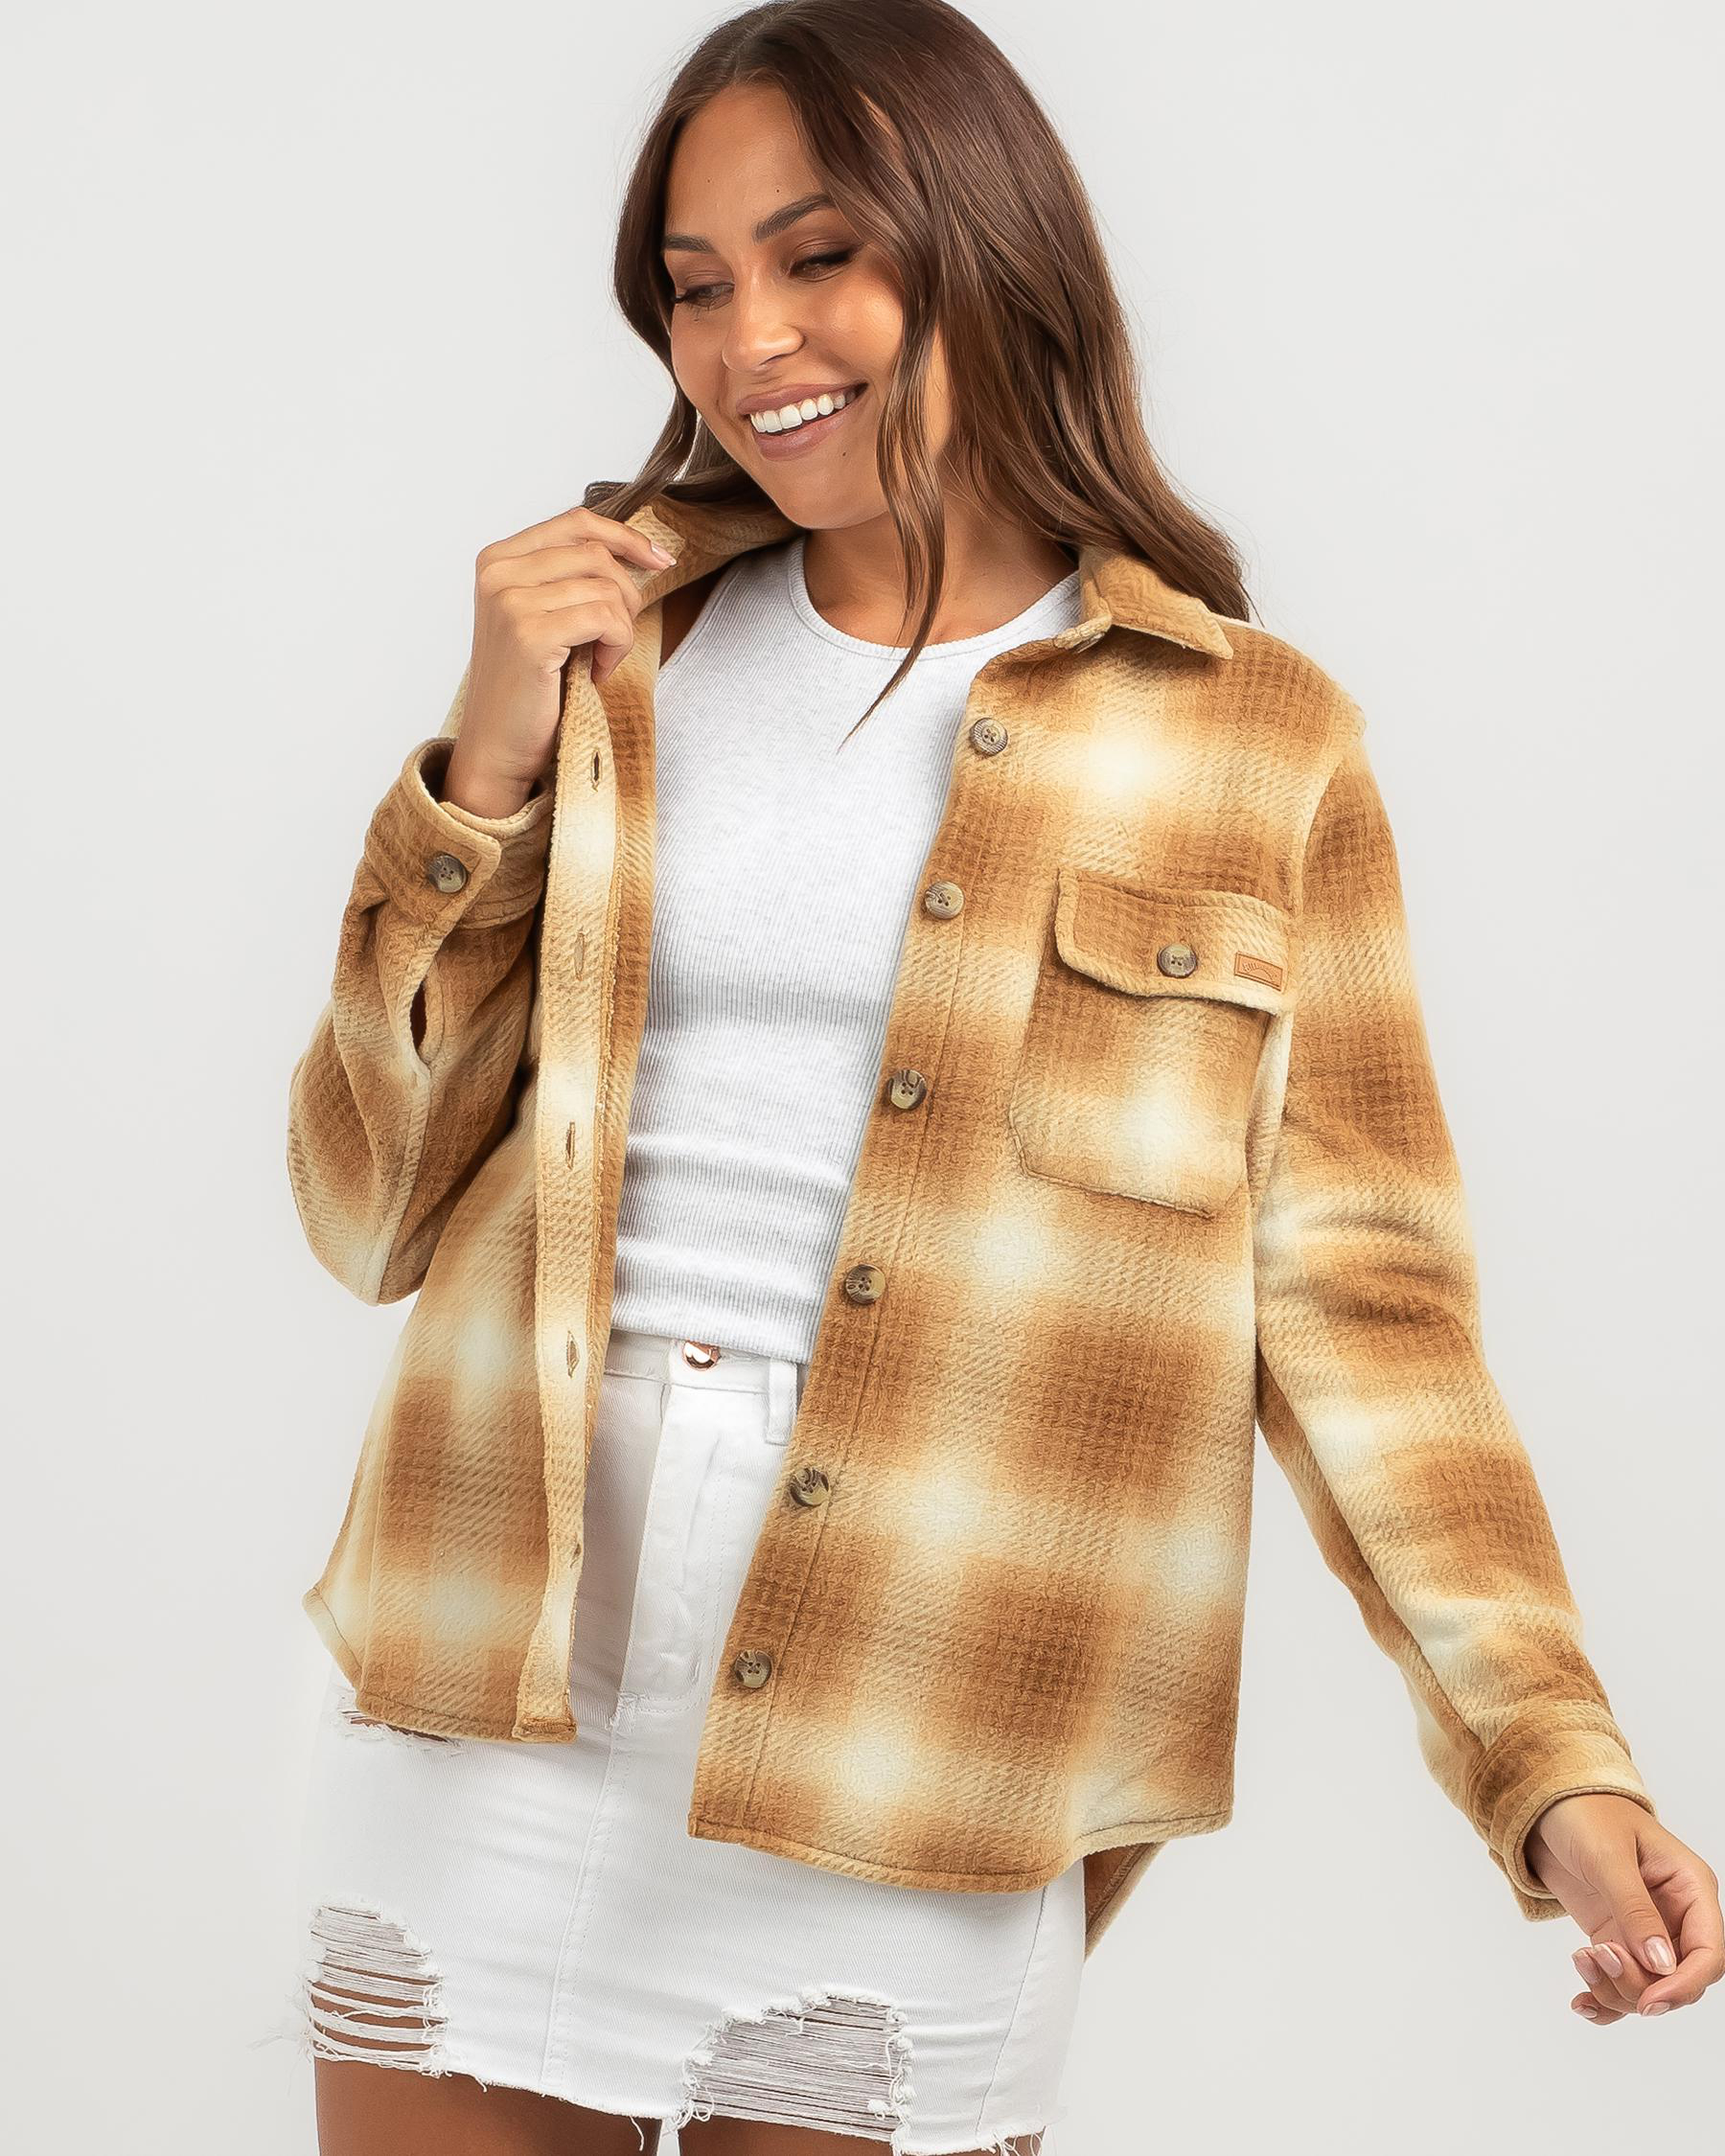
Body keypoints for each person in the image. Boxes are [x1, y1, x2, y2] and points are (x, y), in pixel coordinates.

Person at [275, 3, 1722, 2151]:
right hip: (496, 1632)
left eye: (820, 255)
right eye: (695, 285)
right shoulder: (611, 651)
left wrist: (1551, 1759)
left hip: (942, 1680)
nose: (752, 340)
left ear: (986, 243)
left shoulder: (1255, 740)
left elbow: (1364, 1311)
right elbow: (363, 1207)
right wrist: (480, 771)